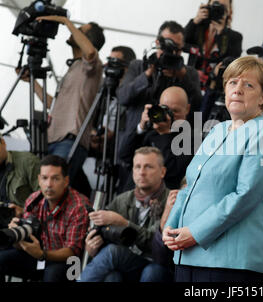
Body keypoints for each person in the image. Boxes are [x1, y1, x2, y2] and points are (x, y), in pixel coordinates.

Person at [162, 56, 263, 282]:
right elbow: (190, 185)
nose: (238, 90)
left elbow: (246, 195)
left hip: (232, 262)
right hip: (189, 254)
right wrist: (171, 226)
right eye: (232, 83)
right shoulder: (218, 131)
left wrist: (196, 233)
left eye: (248, 85)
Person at [18, 16, 105, 185]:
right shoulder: (74, 67)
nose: (74, 31)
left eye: (80, 31)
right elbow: (52, 105)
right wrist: (32, 82)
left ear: (86, 40)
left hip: (70, 139)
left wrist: (66, 22)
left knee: (53, 189)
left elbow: (91, 52)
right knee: (46, 189)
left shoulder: (93, 66)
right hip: (53, 139)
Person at [79, 147, 173, 282]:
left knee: (149, 270)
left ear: (162, 172)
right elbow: (103, 234)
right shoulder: (122, 199)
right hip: (129, 264)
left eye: (148, 167)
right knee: (112, 277)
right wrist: (92, 246)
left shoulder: (171, 200)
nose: (141, 172)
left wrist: (124, 223)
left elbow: (155, 244)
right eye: (137, 167)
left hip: (159, 263)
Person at [0, 155, 90, 282]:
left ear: (66, 181)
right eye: (44, 178)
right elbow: (28, 239)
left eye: (55, 179)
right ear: (39, 180)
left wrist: (42, 254)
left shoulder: (79, 206)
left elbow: (73, 251)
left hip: (69, 262)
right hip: (40, 255)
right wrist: (15, 237)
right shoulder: (33, 200)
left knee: (53, 274)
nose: (48, 184)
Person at [117, 21, 202, 144]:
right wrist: (148, 73)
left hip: (171, 142)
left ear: (181, 49)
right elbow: (123, 97)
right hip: (135, 138)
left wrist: (183, 77)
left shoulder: (188, 73)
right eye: (167, 45)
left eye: (176, 48)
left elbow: (197, 109)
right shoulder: (139, 66)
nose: (170, 52)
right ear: (157, 43)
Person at [119, 86, 193, 191]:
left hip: (163, 199)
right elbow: (124, 155)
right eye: (165, 109)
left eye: (175, 111)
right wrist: (141, 127)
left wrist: (165, 133)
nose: (169, 116)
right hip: (132, 194)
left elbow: (172, 171)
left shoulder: (191, 139)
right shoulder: (150, 130)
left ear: (187, 109)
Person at [184, 0, 243, 90]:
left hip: (214, 88)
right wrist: (195, 21)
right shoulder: (197, 28)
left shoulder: (235, 37)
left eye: (223, 6)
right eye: (215, 3)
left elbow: (232, 64)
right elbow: (180, 43)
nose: (218, 7)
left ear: (229, 11)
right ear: (208, 6)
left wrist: (221, 33)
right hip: (190, 84)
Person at [0, 133, 40, 224]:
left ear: (3, 143)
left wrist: (23, 211)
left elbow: (47, 201)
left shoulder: (28, 162)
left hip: (25, 224)